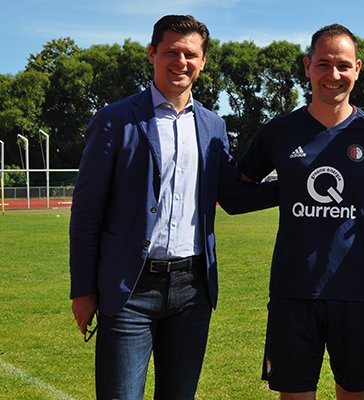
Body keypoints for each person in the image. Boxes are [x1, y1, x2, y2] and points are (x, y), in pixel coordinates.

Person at [69, 15, 277, 399]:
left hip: (192, 290)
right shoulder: (115, 119)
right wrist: (83, 290)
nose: (181, 62)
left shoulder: (213, 126)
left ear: (203, 61)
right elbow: (85, 211)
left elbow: (232, 197)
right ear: (152, 54)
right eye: (171, 52)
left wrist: (291, 186)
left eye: (190, 54)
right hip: (129, 289)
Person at [238, 24, 364, 400]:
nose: (334, 75)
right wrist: (289, 189)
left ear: (358, 69)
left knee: (354, 393)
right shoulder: (279, 131)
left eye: (343, 65)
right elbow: (236, 194)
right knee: (295, 394)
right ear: (307, 66)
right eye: (324, 64)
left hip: (359, 289)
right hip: (294, 289)